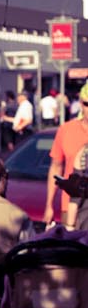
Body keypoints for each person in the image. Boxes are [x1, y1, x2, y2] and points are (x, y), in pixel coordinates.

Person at [45, 82, 88, 226]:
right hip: (70, 208)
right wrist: (49, 204)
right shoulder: (66, 130)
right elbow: (56, 167)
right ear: (81, 104)